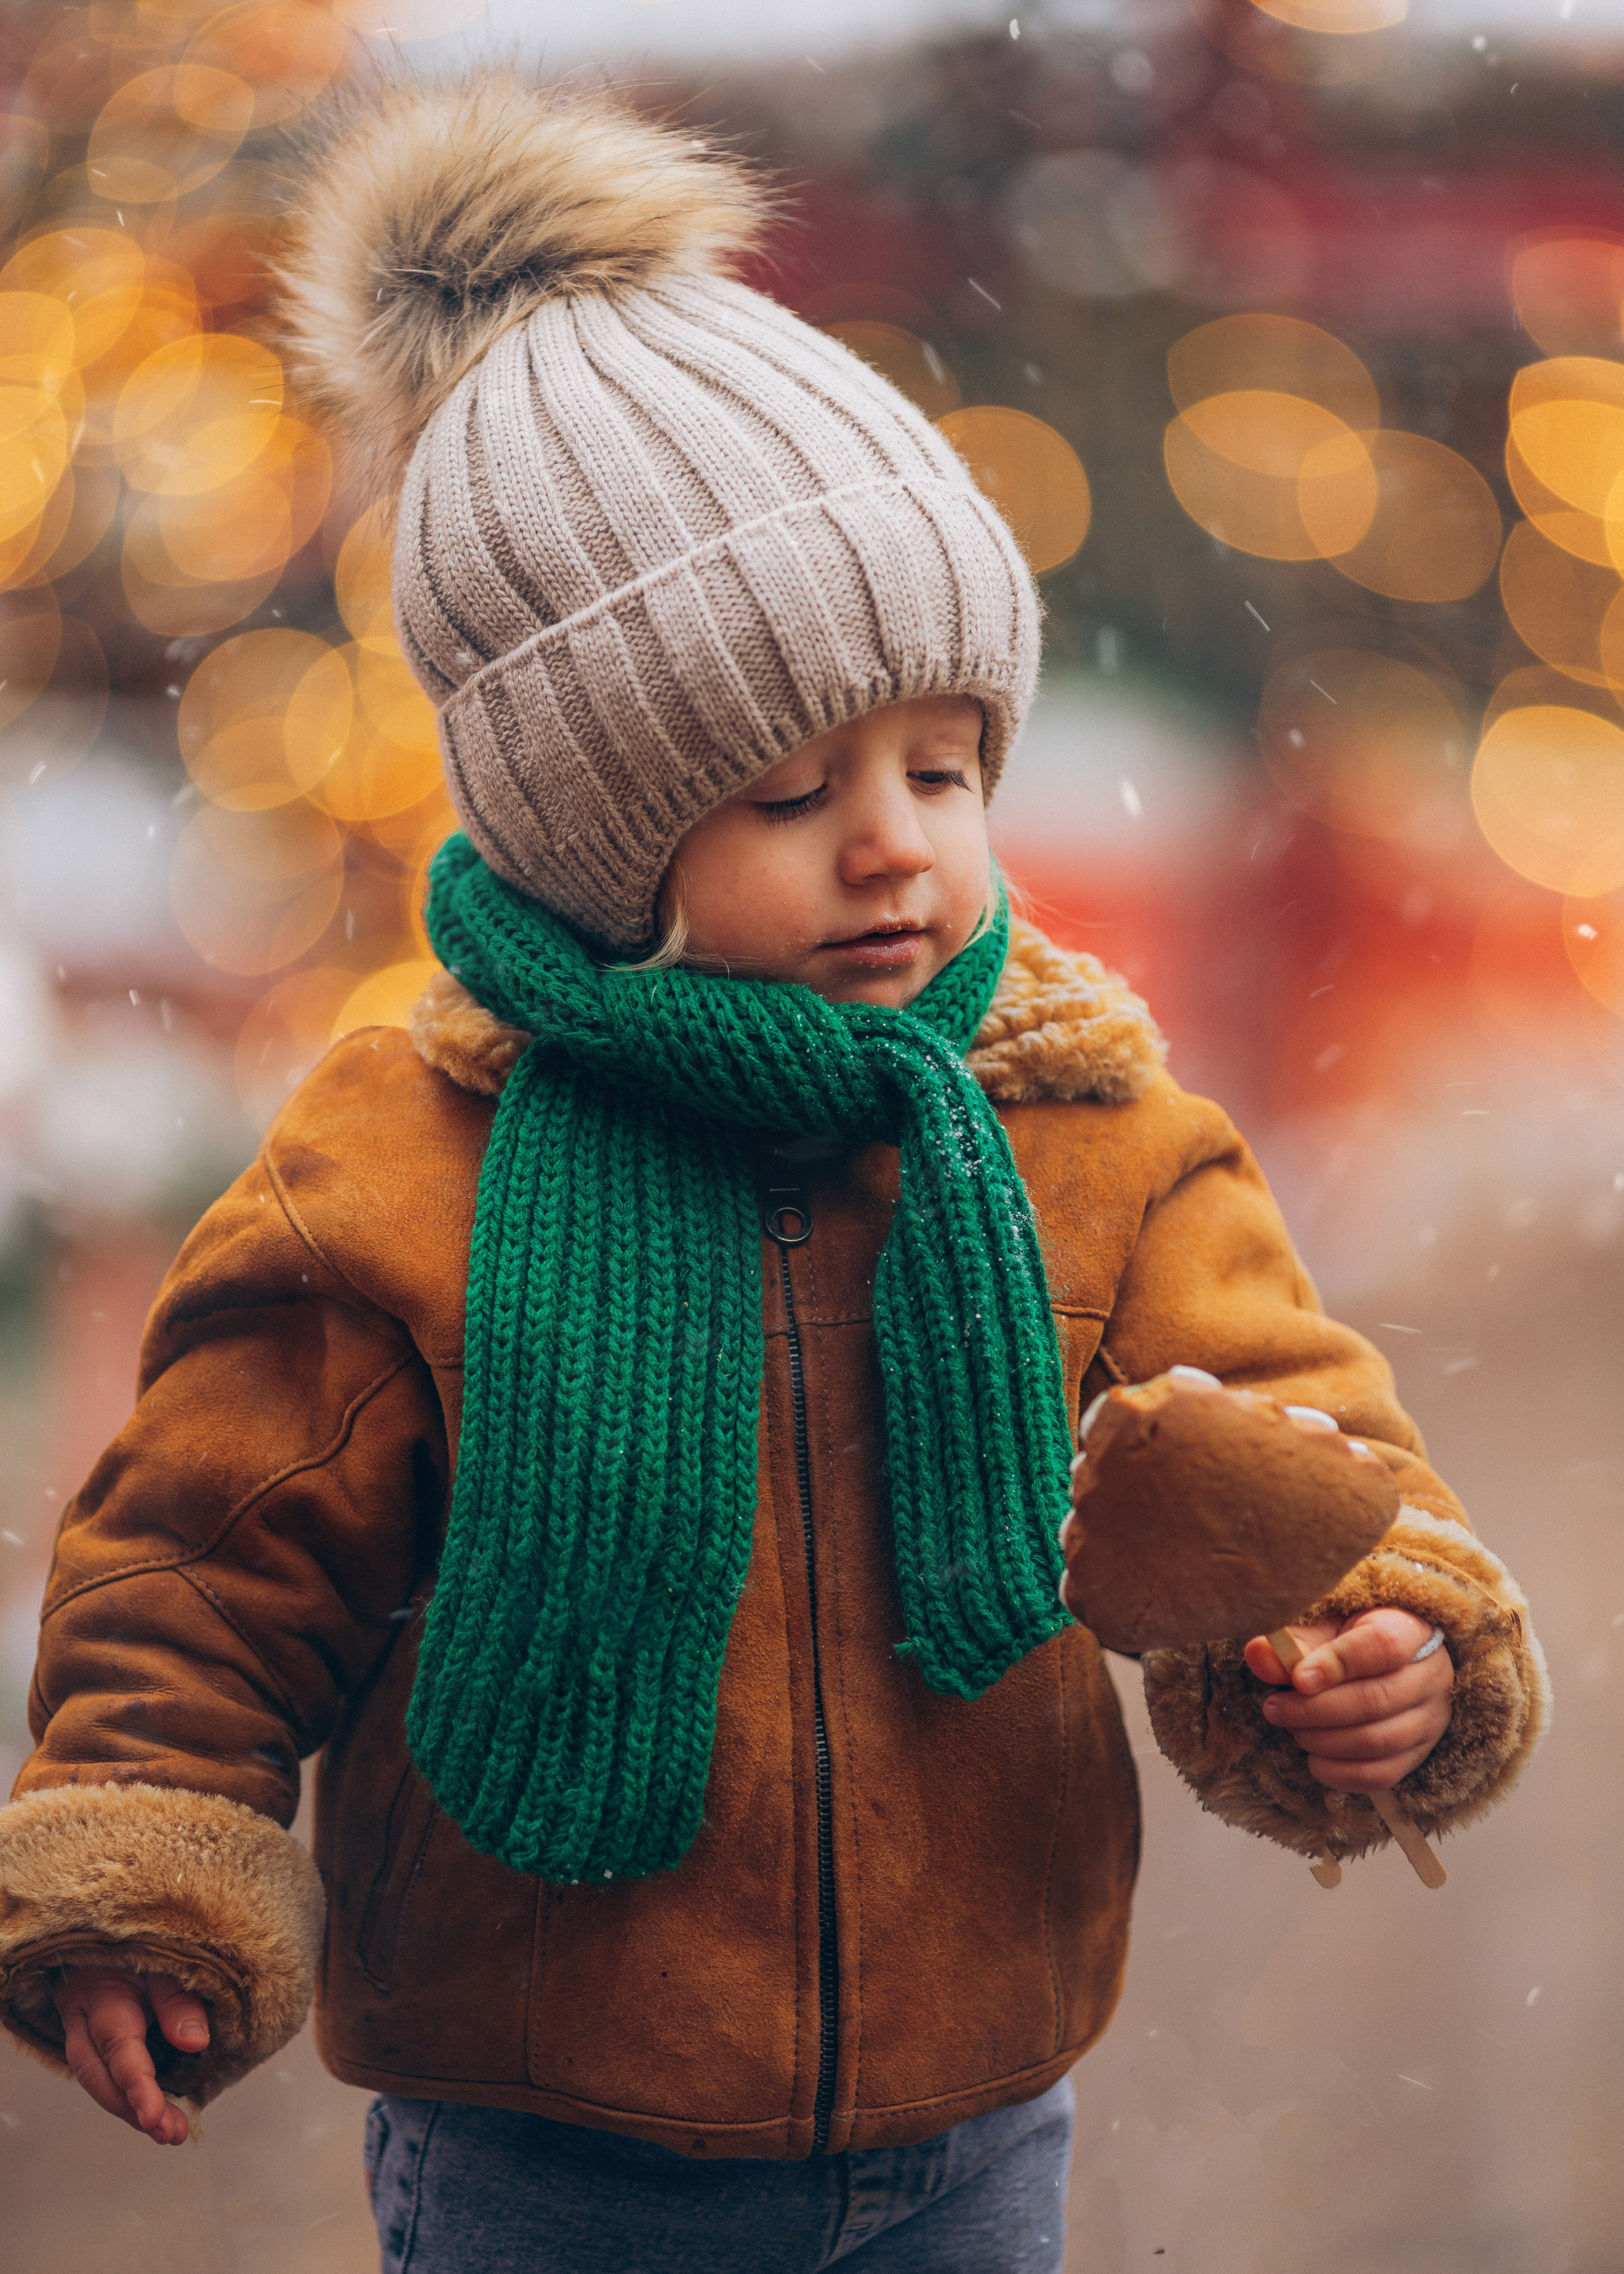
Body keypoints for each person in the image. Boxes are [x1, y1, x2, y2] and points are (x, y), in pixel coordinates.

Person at [0, 73, 1547, 2274]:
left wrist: (1371, 1627)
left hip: (979, 2095)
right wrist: (147, 1861)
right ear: (594, 830)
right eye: (791, 790)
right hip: (547, 2132)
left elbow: (1302, 1438)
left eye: (943, 760)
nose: (897, 838)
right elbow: (206, 1555)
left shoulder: (1075, 1120)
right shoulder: (407, 1159)